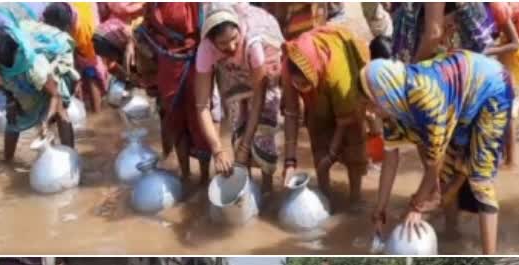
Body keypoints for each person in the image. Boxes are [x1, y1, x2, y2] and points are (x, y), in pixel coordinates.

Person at [362, 52, 513, 254]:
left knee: (481, 180)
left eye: (372, 102)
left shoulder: (425, 98)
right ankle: (452, 232)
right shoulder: (394, 106)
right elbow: (390, 158)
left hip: (492, 86)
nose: (369, 113)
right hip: (459, 97)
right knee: (446, 175)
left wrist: (416, 206)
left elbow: (434, 162)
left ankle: (489, 256)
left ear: (385, 92)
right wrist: (380, 209)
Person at [195, 4, 283, 192]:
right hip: (233, 70)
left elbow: (259, 97)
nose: (231, 46)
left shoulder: (253, 41)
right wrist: (217, 149)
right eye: (223, 44)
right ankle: (246, 189)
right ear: (212, 42)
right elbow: (202, 105)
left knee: (264, 131)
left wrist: (247, 145)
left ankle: (268, 191)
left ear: (239, 30)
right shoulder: (205, 49)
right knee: (237, 126)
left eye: (234, 39)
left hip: (265, 61)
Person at [282, 25, 370, 204]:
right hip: (318, 98)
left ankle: (355, 198)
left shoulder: (337, 72)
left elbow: (345, 120)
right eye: (296, 85)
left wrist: (331, 155)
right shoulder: (289, 64)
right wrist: (289, 162)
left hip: (346, 97)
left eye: (304, 84)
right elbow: (291, 114)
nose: (299, 89)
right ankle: (325, 197)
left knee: (353, 142)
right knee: (317, 132)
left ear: (313, 73)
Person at [131, 2, 211, 183]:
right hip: (167, 66)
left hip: (195, 62)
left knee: (199, 119)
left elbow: (206, 26)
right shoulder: (152, 5)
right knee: (174, 120)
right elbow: (145, 29)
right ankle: (185, 175)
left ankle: (205, 178)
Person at [0, 18, 79, 161]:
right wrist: (11, 103)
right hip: (26, 85)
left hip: (49, 79)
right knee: (12, 121)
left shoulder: (32, 65)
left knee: (60, 112)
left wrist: (46, 122)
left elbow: (55, 95)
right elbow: (3, 85)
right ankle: (7, 163)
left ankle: (71, 158)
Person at [486, 2, 519, 169]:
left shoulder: (496, 5)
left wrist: (486, 51)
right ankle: (501, 154)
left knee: (508, 105)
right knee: (500, 98)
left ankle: (511, 161)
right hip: (517, 35)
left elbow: (515, 44)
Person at [41, 2, 107, 113]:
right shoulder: (48, 14)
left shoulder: (85, 32)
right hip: (70, 16)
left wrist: (79, 78)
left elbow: (90, 63)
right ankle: (80, 106)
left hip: (85, 32)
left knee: (91, 73)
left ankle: (97, 113)